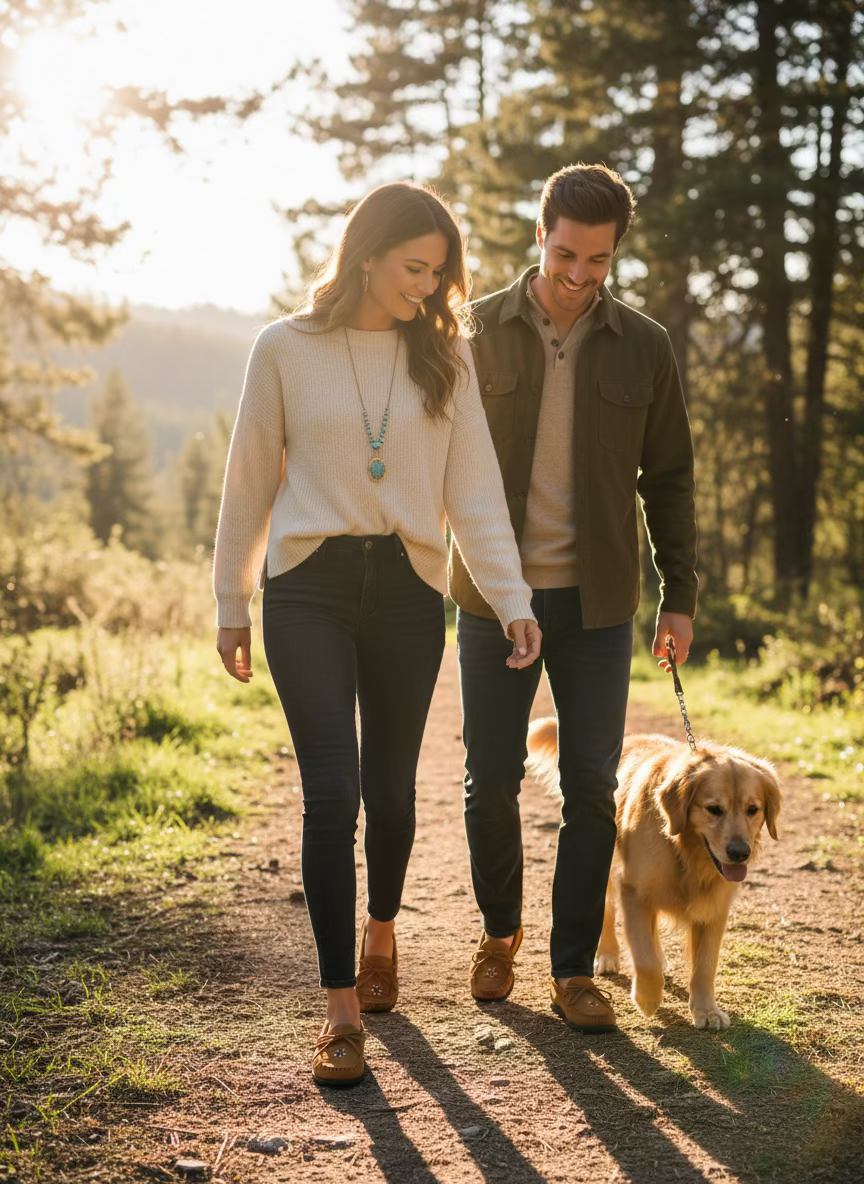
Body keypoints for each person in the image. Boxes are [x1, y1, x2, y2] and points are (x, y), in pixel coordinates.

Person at [213, 181, 541, 1086]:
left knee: (392, 798)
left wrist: (512, 598)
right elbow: (247, 483)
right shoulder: (284, 347)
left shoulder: (446, 357)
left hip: (405, 589)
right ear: (367, 254)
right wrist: (230, 604)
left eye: (441, 274)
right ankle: (339, 1014)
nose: (430, 288)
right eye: (414, 269)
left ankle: (382, 934)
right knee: (333, 793)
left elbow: (473, 490)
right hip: (307, 588)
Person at [450, 163, 698, 1033]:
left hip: (599, 606)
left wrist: (680, 594)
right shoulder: (473, 330)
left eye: (598, 261)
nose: (579, 275)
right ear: (540, 231)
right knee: (490, 782)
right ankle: (497, 932)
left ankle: (572, 969)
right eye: (566, 254)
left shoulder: (645, 345)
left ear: (615, 253)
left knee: (592, 786)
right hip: (490, 597)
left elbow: (670, 479)